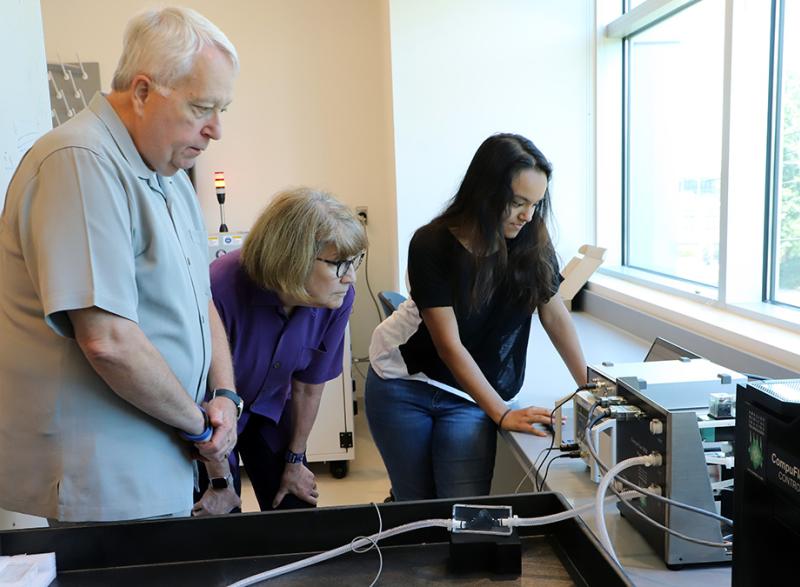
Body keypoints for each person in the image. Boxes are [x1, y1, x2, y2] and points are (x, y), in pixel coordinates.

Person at [0, 7, 242, 523]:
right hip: (106, 478)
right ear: (142, 92)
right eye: (202, 107)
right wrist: (203, 430)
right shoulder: (79, 160)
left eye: (222, 108)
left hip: (164, 459)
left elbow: (202, 301)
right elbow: (107, 341)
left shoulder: (171, 171)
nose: (216, 129)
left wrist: (225, 396)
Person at [365, 133, 588, 501]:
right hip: (403, 383)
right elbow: (448, 345)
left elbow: (554, 314)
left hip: (467, 393)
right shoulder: (431, 243)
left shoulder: (532, 242)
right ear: (486, 193)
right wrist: (501, 413)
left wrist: (590, 389)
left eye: (535, 203)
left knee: (463, 507)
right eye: (517, 202)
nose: (527, 215)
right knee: (415, 504)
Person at [192, 188, 367, 515]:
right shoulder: (220, 288)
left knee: (295, 506)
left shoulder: (336, 297)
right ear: (293, 258)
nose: (350, 276)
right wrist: (219, 482)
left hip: (271, 407)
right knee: (219, 517)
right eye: (339, 263)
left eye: (355, 261)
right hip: (209, 417)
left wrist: (296, 460)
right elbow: (196, 393)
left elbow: (308, 386)